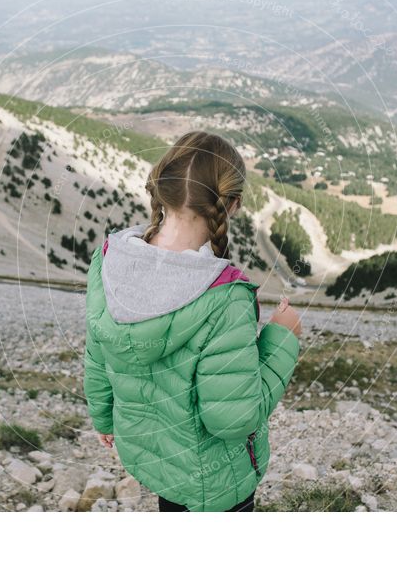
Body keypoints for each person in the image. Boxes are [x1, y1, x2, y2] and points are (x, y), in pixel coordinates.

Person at [82, 130, 302, 512]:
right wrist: (282, 340)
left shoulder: (107, 260)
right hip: (215, 482)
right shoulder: (223, 298)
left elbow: (97, 355)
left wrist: (104, 418)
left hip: (156, 460)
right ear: (232, 206)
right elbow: (232, 419)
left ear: (162, 187)